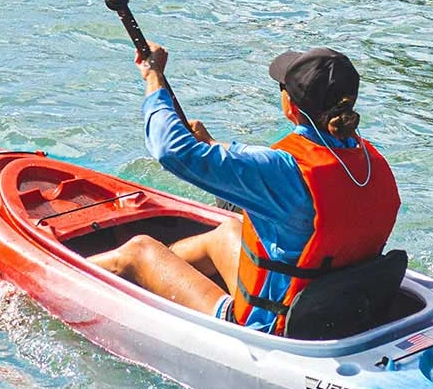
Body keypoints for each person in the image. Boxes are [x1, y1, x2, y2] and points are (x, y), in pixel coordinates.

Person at [90, 44, 400, 334]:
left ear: (290, 106)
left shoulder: (284, 172)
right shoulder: (369, 160)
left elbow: (170, 150)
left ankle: (68, 272)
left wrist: (153, 77)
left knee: (139, 250)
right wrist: (211, 147)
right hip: (338, 308)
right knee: (228, 231)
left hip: (270, 326)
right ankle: (163, 274)